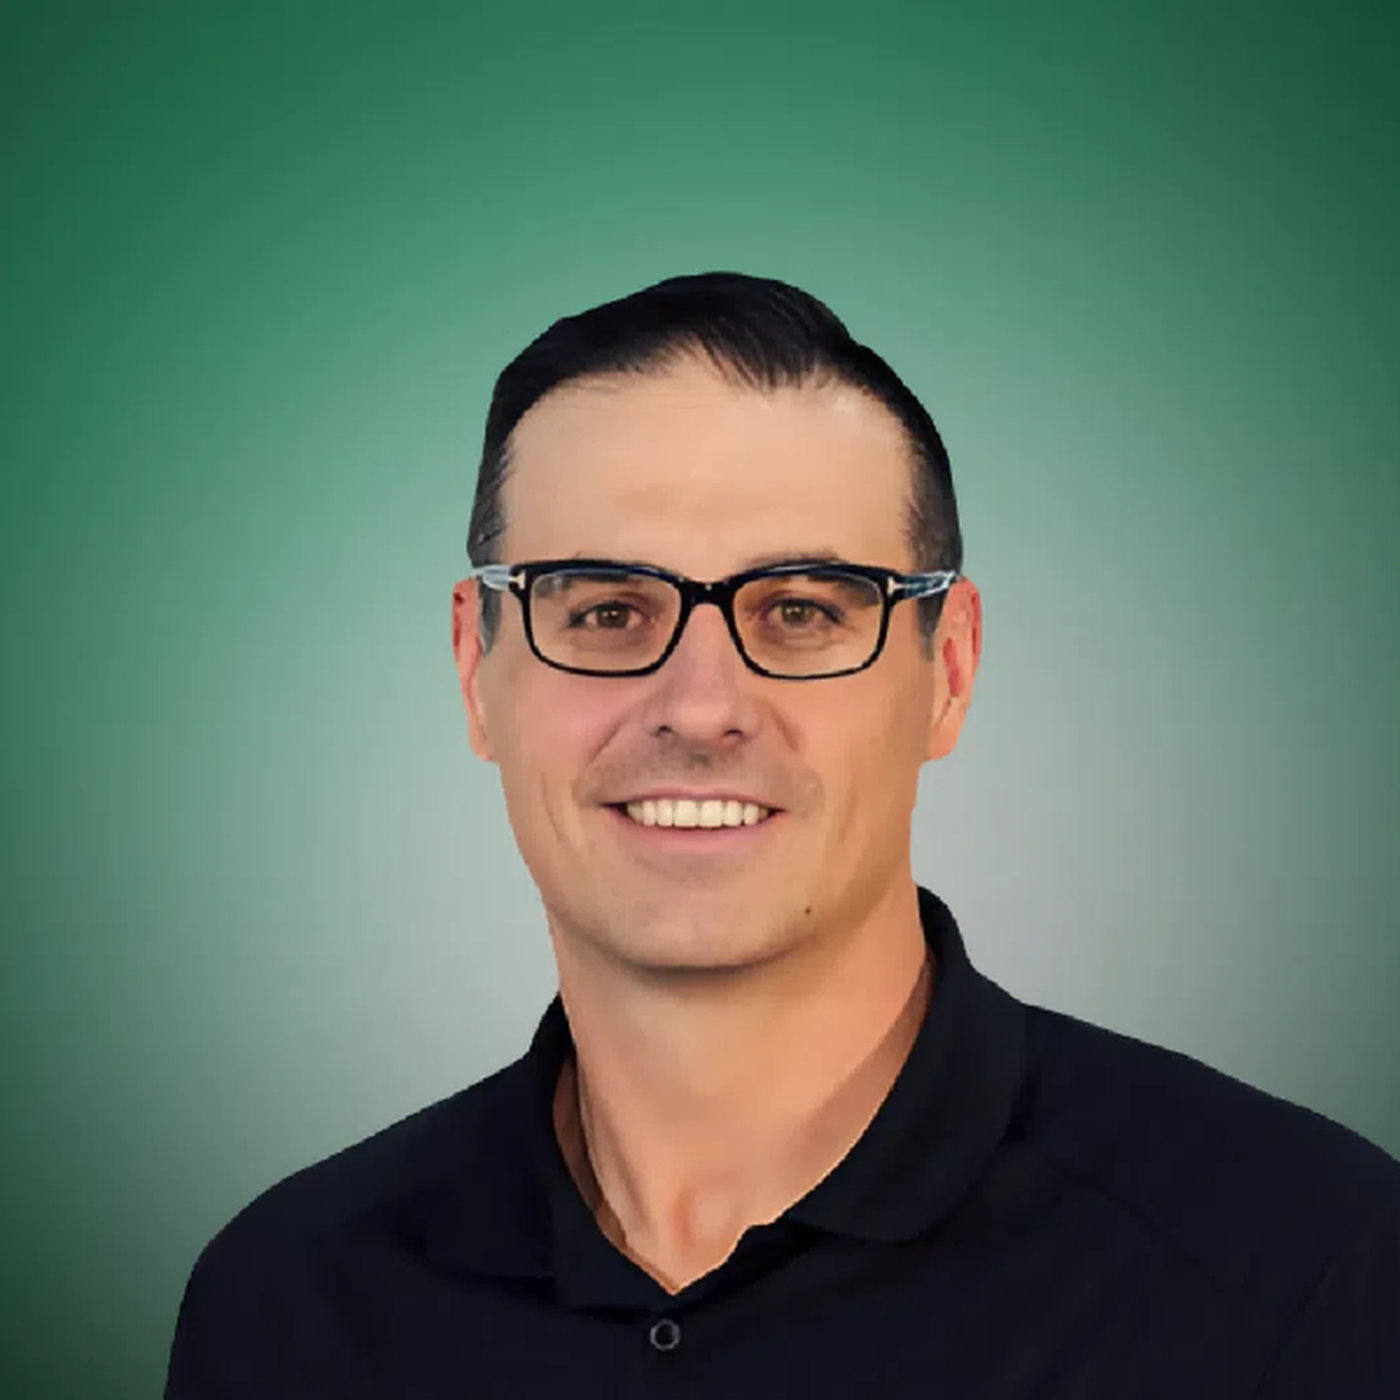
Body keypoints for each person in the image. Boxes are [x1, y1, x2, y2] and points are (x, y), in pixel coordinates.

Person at [164, 273, 1399, 1398]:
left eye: (800, 609)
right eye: (604, 610)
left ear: (949, 671)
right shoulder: (286, 1305)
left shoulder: (1305, 1268)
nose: (700, 704)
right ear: (473, 672)